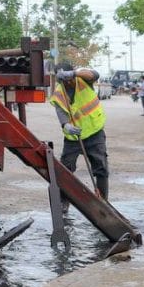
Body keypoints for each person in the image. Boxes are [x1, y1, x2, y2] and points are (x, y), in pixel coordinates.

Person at [50, 62, 109, 207]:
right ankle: (63, 203)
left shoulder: (83, 80)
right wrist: (66, 125)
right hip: (73, 137)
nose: (67, 82)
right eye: (63, 79)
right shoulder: (58, 93)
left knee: (101, 168)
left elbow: (95, 74)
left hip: (95, 133)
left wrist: (74, 73)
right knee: (65, 170)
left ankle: (103, 203)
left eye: (68, 78)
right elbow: (61, 112)